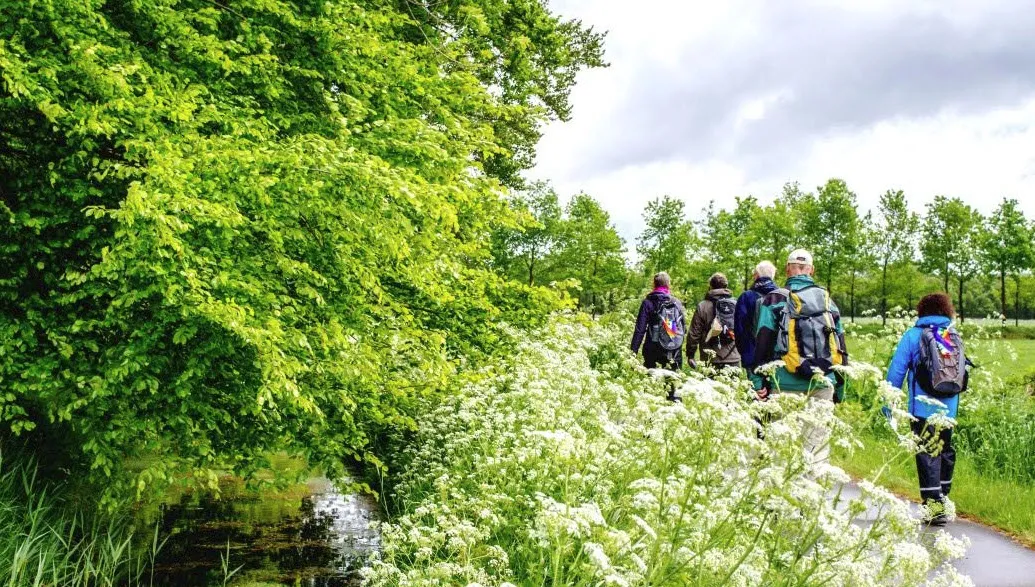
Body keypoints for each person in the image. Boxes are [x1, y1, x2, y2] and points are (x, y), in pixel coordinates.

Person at [752, 249, 848, 463]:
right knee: (815, 452)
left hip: (784, 383)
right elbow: (841, 348)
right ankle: (811, 484)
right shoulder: (828, 302)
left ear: (787, 269)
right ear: (811, 270)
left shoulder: (774, 299)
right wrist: (840, 389)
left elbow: (762, 343)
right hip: (822, 383)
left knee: (779, 451)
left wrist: (758, 382)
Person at [885, 293, 966, 526]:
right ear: (946, 310)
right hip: (949, 409)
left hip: (921, 409)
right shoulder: (950, 335)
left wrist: (889, 401)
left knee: (927, 453)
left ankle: (934, 507)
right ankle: (943, 497)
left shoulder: (913, 335)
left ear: (921, 311)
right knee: (944, 450)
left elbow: (897, 370)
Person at [631, 272, 687, 371]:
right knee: (672, 379)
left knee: (651, 378)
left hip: (652, 349)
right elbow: (682, 328)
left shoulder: (648, 302)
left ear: (654, 284)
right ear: (668, 284)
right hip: (672, 349)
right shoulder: (676, 302)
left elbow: (640, 329)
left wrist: (633, 352)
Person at [687, 273, 741, 370]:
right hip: (733, 357)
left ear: (710, 286)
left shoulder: (703, 306)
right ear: (726, 286)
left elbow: (694, 333)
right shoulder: (736, 304)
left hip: (710, 359)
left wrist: (690, 355)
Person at [734, 260, 778, 371]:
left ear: (757, 275)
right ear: (772, 276)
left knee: (755, 382)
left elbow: (739, 329)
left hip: (752, 356)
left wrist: (745, 352)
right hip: (776, 357)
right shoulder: (781, 295)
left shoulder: (746, 297)